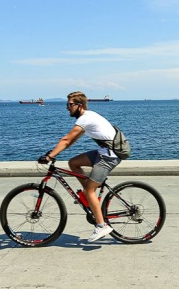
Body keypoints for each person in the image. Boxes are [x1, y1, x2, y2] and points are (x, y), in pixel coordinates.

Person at [38, 91, 121, 242]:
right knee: (73, 163)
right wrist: (54, 151)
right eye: (67, 105)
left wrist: (50, 156)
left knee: (90, 190)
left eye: (70, 105)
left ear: (80, 106)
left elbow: (67, 139)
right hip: (105, 152)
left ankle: (102, 225)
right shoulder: (87, 117)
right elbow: (70, 140)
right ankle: (90, 197)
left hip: (109, 156)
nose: (67, 108)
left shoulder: (85, 119)